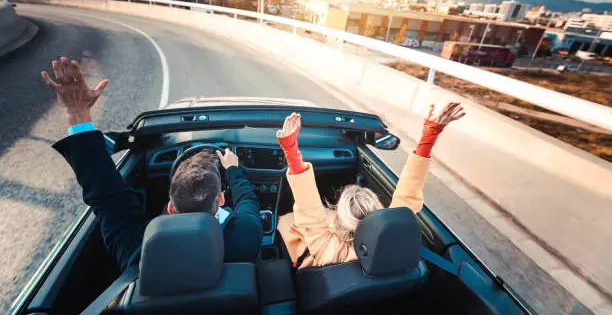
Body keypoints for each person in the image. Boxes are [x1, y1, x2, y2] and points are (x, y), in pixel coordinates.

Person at [41, 56, 262, 271]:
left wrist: (77, 113)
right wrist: (233, 169)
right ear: (221, 199)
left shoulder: (141, 249)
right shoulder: (246, 235)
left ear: (170, 207)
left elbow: (105, 192)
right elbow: (247, 200)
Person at [276, 103, 465, 268]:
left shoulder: (327, 248)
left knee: (286, 221)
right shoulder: (391, 242)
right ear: (378, 210)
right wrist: (429, 137)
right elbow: (408, 194)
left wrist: (290, 149)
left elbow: (308, 206)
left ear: (339, 222)